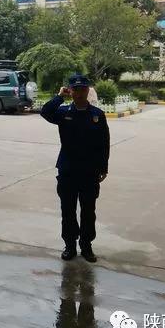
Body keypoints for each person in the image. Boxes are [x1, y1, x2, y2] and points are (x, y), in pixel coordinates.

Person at [40, 74, 110, 263]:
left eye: (82, 89)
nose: (79, 93)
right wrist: (59, 96)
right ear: (70, 91)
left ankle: (86, 246)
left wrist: (103, 166)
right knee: (68, 210)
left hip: (89, 171)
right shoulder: (63, 112)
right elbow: (45, 112)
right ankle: (70, 245)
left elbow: (104, 143)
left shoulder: (97, 115)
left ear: (88, 90)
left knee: (88, 211)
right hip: (68, 170)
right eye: (75, 89)